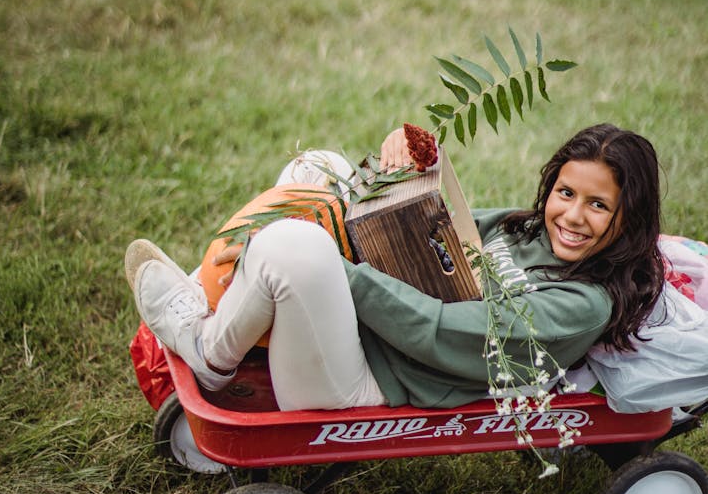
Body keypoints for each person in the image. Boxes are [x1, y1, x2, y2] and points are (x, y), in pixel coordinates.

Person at [125, 123, 667, 415]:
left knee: (299, 246)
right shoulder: (527, 229)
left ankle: (210, 352)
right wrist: (396, 177)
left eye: (598, 205)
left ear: (631, 219)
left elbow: (434, 331)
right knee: (321, 168)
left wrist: (340, 268)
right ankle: (217, 303)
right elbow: (436, 230)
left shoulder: (580, 305)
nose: (572, 215)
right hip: (361, 335)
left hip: (368, 380)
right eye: (565, 192)